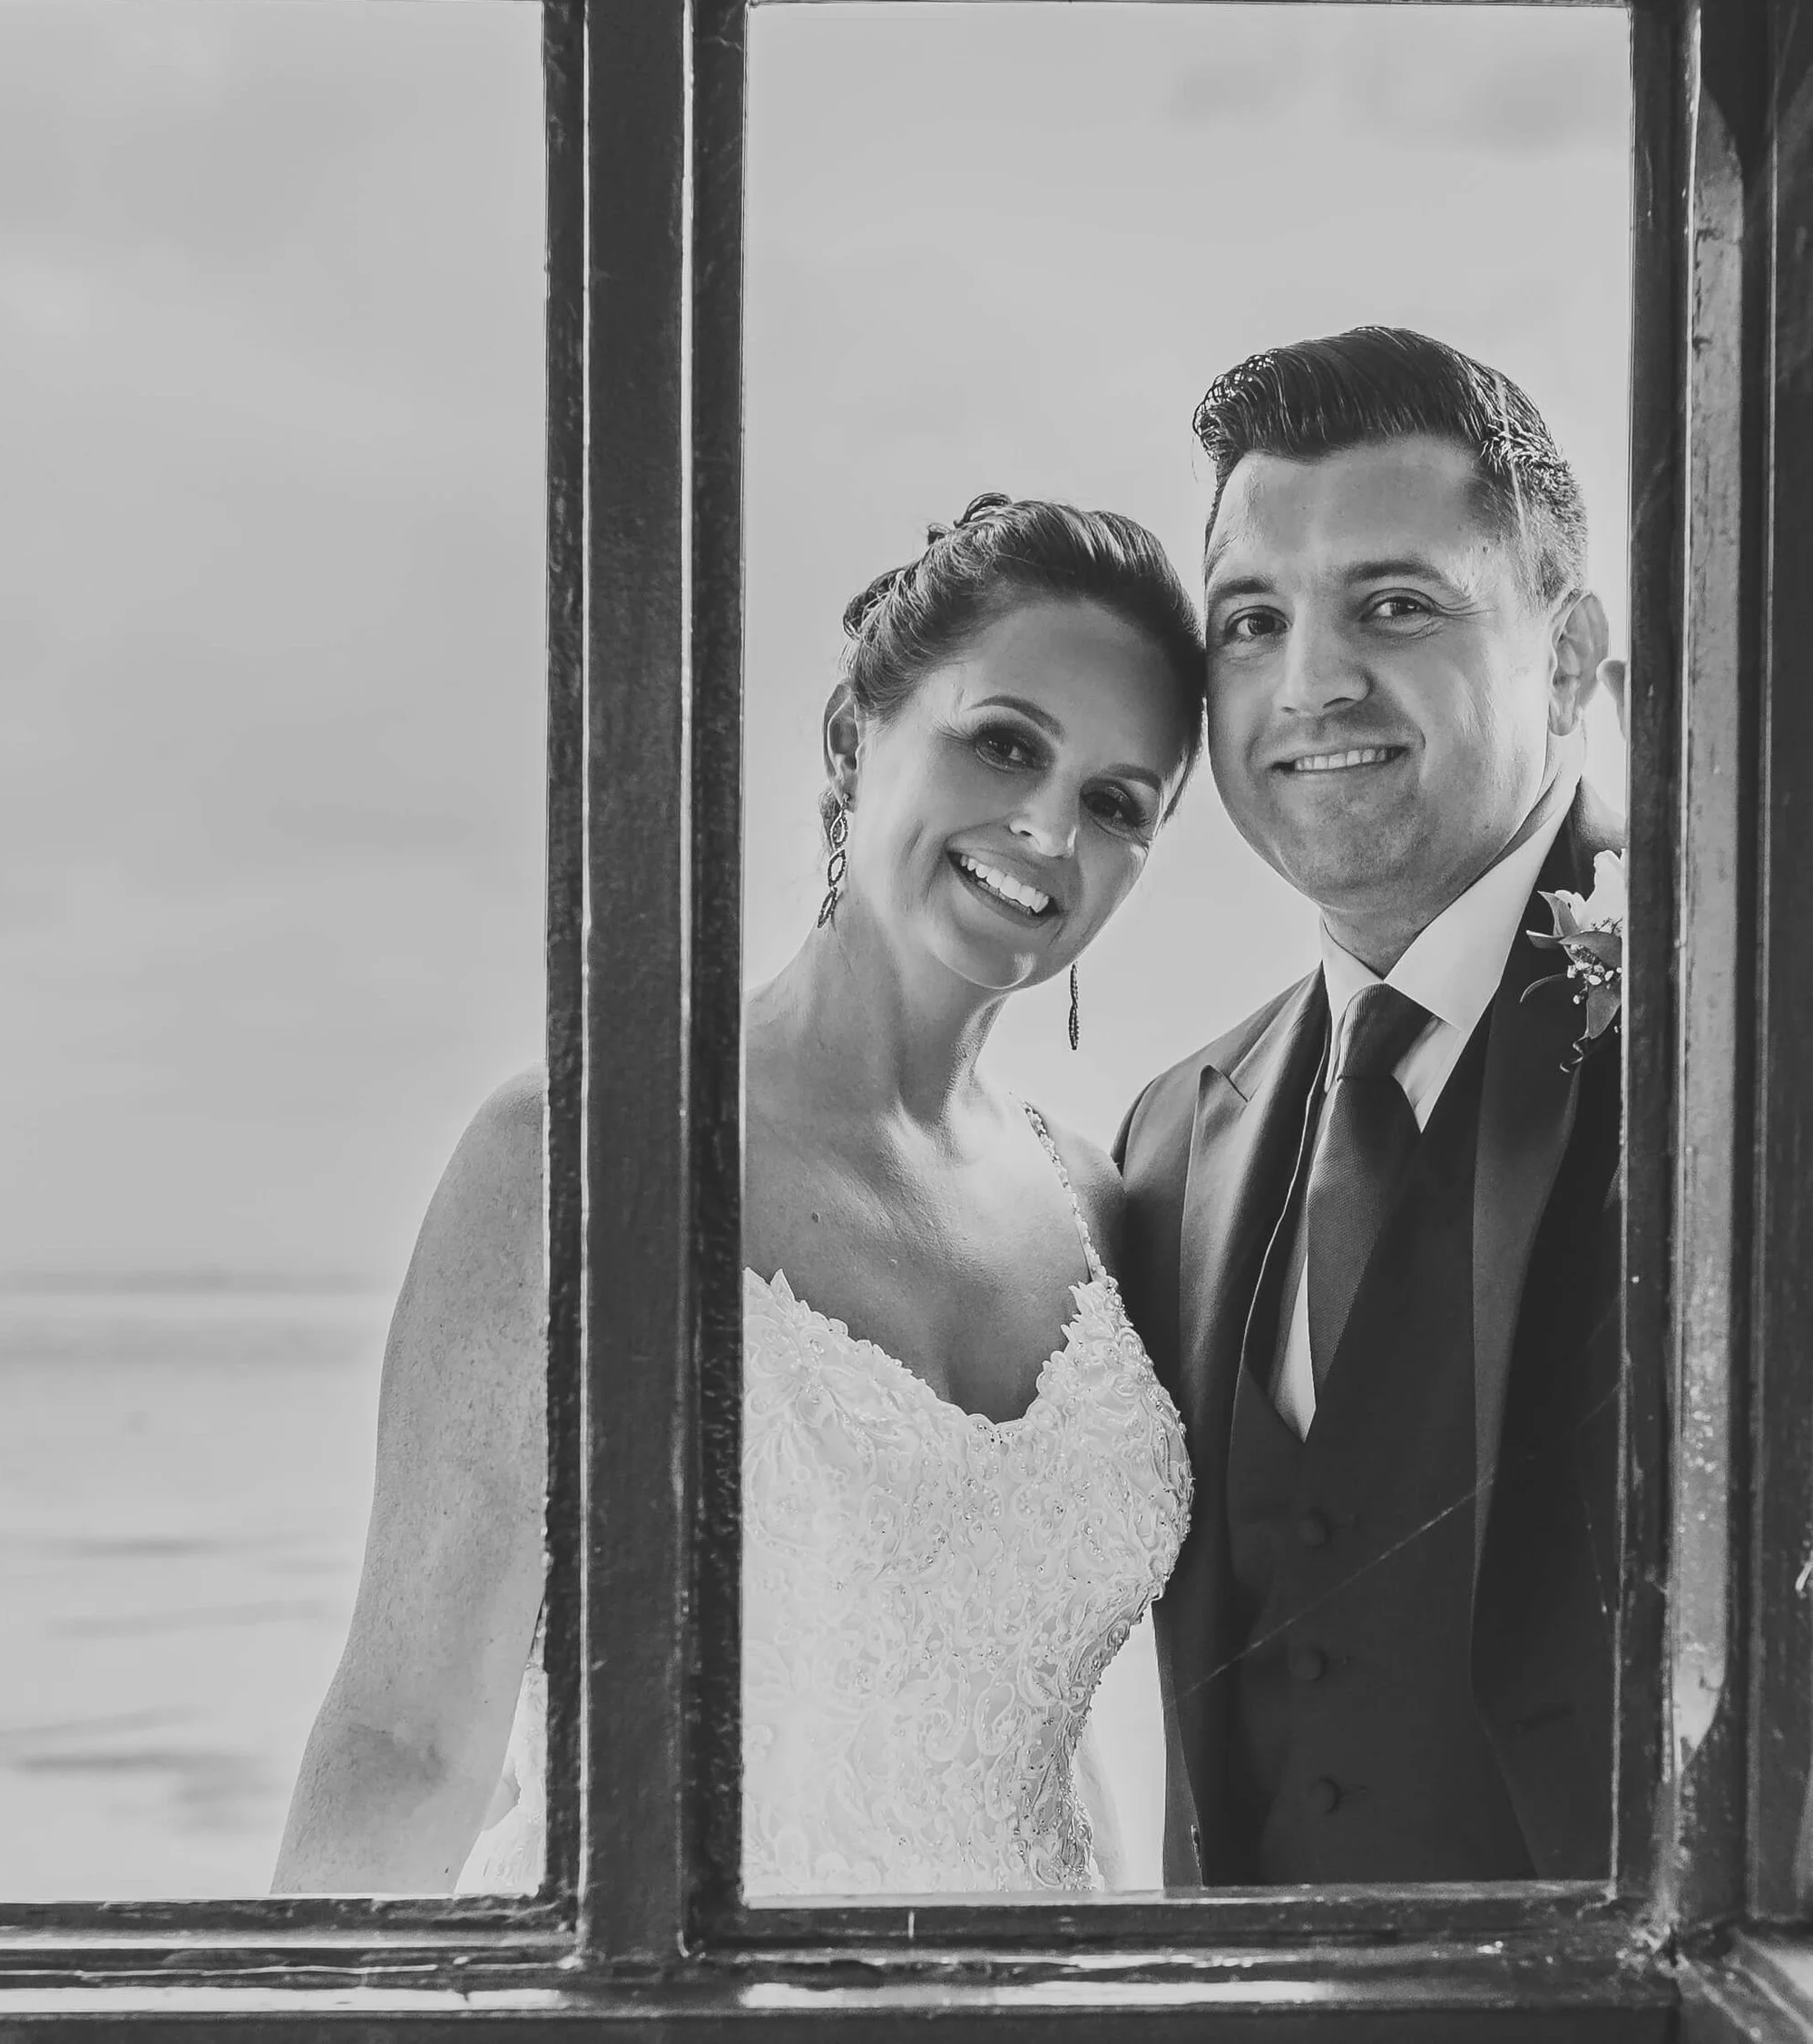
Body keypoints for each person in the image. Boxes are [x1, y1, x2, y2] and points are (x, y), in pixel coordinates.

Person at [273, 494, 1202, 1898]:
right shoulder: (575, 1157)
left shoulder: (1105, 1208)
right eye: (1004, 741)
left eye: (1116, 803)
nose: (1047, 828)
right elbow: (408, 1735)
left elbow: (1040, 1731)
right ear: (855, 738)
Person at [1114, 327, 1622, 1887]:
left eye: (1395, 606)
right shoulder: (1167, 1135)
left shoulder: (1749, 1024)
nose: (1310, 681)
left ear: (1574, 650)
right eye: (1250, 622)